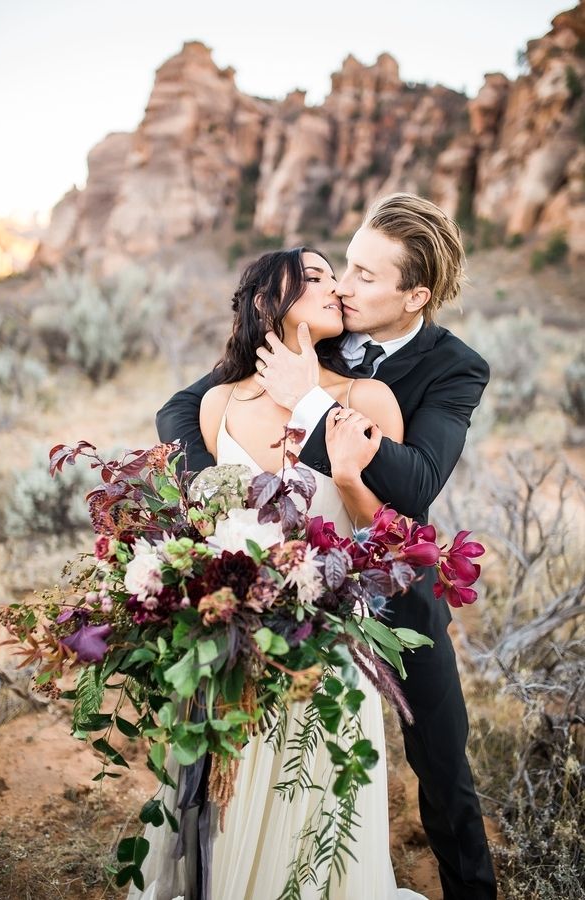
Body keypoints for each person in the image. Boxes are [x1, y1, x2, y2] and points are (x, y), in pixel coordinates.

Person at [156, 193, 497, 900]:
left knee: (444, 770)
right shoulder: (319, 331)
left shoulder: (453, 367)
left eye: (366, 275)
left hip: (395, 591)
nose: (343, 284)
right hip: (275, 598)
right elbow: (182, 408)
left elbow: (416, 487)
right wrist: (226, 514)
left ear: (415, 296)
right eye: (344, 265)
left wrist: (312, 402)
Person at [134, 245, 428, 900]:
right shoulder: (219, 406)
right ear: (268, 299)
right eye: (314, 276)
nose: (335, 287)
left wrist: (349, 476)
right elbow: (207, 525)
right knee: (227, 819)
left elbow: (392, 540)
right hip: (236, 650)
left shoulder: (369, 398)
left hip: (327, 650)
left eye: (336, 275)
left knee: (317, 821)